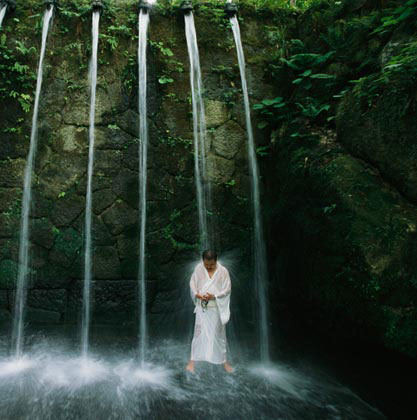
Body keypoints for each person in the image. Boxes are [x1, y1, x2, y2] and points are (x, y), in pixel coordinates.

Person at [185, 250, 233, 374]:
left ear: (216, 261)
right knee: (198, 334)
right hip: (202, 308)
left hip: (216, 308)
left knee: (219, 335)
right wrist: (197, 294)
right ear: (203, 261)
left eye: (211, 265)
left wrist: (215, 296)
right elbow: (192, 283)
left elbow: (227, 289)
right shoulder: (199, 269)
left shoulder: (223, 271)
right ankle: (192, 361)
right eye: (206, 264)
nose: (208, 267)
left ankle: (224, 362)